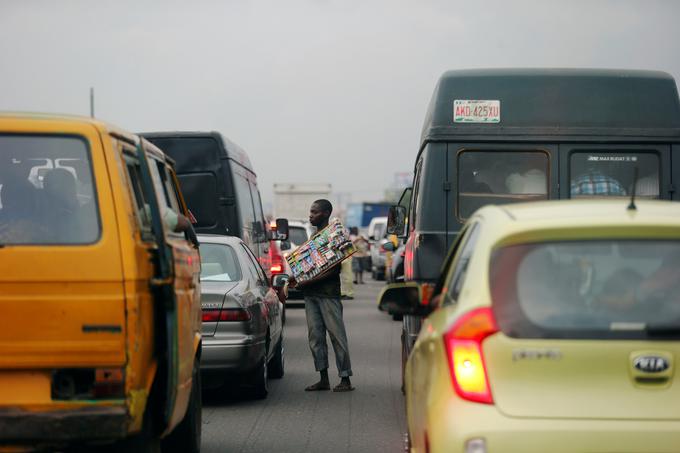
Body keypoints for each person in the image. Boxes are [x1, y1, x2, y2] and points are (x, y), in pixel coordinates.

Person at [289, 199, 354, 392]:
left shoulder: (334, 236)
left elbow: (334, 270)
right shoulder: (313, 237)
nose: (310, 215)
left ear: (325, 213)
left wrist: (306, 282)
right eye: (310, 211)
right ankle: (323, 378)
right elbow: (308, 267)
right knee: (316, 338)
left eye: (314, 212)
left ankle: (345, 378)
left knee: (337, 337)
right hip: (311, 296)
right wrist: (294, 279)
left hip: (328, 295)